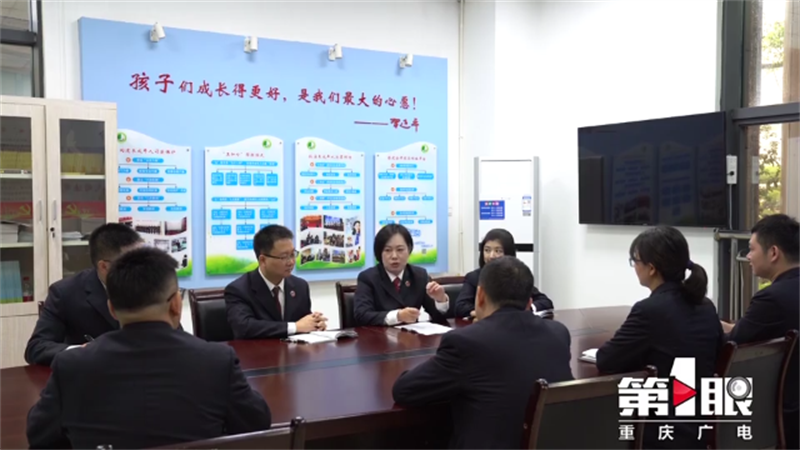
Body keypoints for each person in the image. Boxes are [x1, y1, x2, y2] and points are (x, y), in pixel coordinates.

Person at [26, 247, 272, 450]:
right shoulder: (217, 360)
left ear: (112, 309)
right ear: (176, 304)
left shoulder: (71, 365)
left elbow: (39, 435)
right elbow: (257, 423)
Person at [392, 256, 573, 450]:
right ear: (529, 302)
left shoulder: (466, 342)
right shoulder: (558, 333)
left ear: (480, 295)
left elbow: (404, 391)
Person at [596, 226, 722, 450]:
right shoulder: (705, 305)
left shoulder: (649, 310)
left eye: (635, 261)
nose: (635, 267)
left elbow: (606, 359)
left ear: (652, 268)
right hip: (703, 423)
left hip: (663, 428)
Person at [722, 214, 800, 450]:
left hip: (781, 415)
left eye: (752, 249)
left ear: (773, 252)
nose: (748, 256)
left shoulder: (771, 298)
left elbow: (732, 346)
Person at [24, 223, 144, 366]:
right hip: (92, 372)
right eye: (132, 264)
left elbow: (167, 335)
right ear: (104, 266)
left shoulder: (153, 286)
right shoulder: (65, 292)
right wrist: (83, 351)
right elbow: (36, 348)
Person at [226, 225, 327, 339]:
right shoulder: (239, 290)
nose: (291, 262)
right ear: (263, 260)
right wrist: (294, 327)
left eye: (292, 254)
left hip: (294, 350)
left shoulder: (300, 286)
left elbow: (304, 323)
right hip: (257, 350)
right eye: (284, 257)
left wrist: (315, 324)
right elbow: (244, 328)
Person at [353, 224, 449, 326]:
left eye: (400, 250)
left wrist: (440, 300)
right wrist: (397, 316)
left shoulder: (419, 276)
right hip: (379, 335)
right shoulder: (368, 278)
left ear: (409, 250)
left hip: (411, 335)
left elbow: (438, 317)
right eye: (388, 250)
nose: (394, 256)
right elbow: (362, 316)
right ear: (379, 253)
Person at [454, 228, 553, 318]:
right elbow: (460, 306)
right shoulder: (474, 277)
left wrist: (528, 309)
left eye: (498, 251)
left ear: (509, 253)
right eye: (487, 250)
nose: (491, 256)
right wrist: (484, 314)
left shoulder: (516, 276)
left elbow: (545, 302)